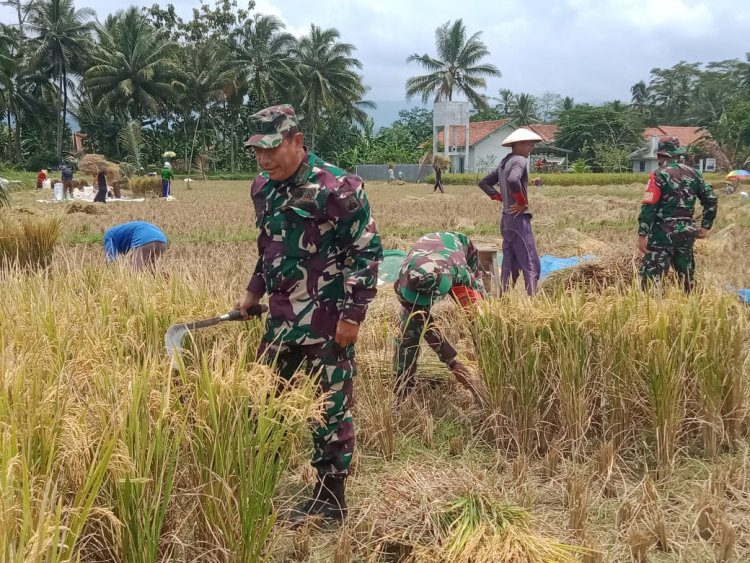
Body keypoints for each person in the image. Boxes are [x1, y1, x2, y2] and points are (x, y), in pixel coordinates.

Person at [237, 104, 382, 525]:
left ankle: (330, 498)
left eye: (271, 150)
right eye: (257, 152)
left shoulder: (338, 187)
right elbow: (269, 249)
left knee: (330, 408)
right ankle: (259, 482)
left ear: (297, 142)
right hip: (281, 318)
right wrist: (252, 292)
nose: (264, 161)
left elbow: (366, 251)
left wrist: (353, 316)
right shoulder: (262, 188)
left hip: (327, 320)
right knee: (261, 399)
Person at [394, 231, 486, 403]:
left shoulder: (459, 271)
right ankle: (401, 393)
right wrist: (452, 362)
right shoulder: (403, 283)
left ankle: (488, 372)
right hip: (428, 257)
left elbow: (477, 294)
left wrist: (479, 323)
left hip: (457, 250)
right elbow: (426, 326)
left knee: (480, 320)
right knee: (408, 336)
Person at [638, 137, 717, 293]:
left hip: (663, 233)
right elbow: (711, 200)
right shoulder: (695, 174)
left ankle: (652, 310)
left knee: (652, 278)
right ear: (678, 154)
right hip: (687, 231)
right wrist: (705, 226)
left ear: (660, 155)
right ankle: (690, 307)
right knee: (687, 276)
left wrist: (642, 233)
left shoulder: (659, 175)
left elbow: (649, 206)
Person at [478, 127, 543, 296]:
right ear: (519, 144)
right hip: (518, 219)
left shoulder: (504, 163)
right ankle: (532, 300)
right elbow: (513, 180)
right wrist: (521, 202)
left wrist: (500, 197)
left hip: (506, 220)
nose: (531, 148)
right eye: (529, 144)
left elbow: (484, 183)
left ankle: (502, 297)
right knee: (530, 262)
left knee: (509, 261)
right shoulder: (520, 161)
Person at [103, 221, 168, 271]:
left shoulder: (109, 235)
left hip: (144, 238)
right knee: (151, 270)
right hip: (162, 240)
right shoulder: (119, 233)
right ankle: (166, 283)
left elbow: (110, 259)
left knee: (135, 272)